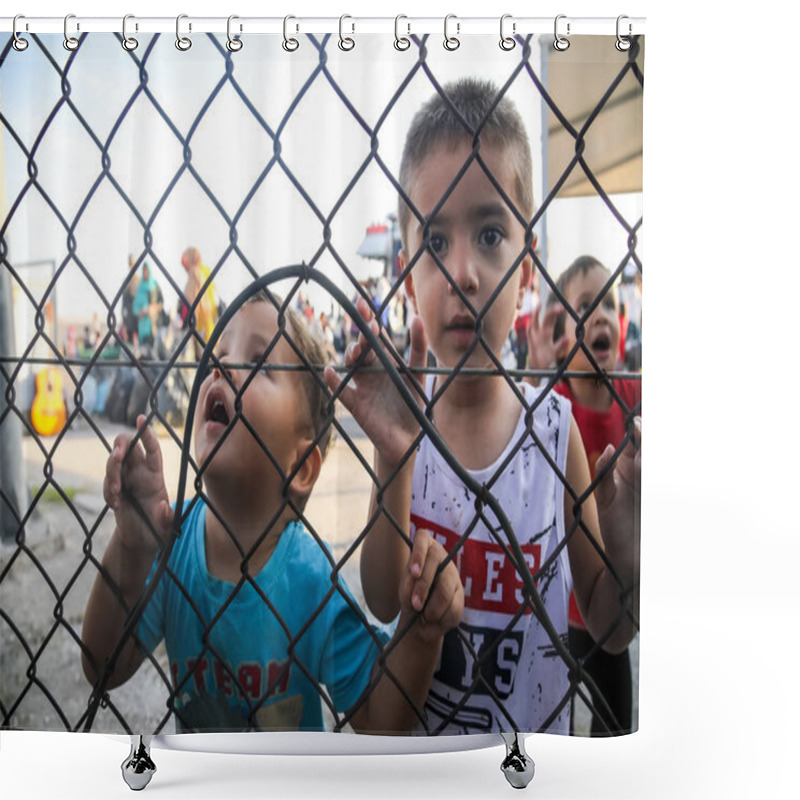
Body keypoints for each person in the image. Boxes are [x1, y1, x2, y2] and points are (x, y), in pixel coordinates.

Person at [325, 78, 640, 736]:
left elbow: (608, 626)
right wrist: (393, 457)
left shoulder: (556, 435)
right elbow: (383, 598)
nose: (463, 271)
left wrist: (630, 547)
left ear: (529, 268)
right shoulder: (406, 426)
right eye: (435, 243)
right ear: (408, 270)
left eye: (490, 233)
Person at [81, 290, 463, 734]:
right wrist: (131, 548)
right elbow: (102, 667)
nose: (222, 366)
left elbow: (380, 719)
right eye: (219, 353)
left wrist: (420, 632)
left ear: (301, 466)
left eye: (259, 362)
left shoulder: (310, 580)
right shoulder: (173, 540)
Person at [526, 254, 641, 736]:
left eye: (607, 304)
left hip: (612, 603)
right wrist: (535, 377)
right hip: (562, 610)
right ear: (560, 337)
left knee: (615, 720)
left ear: (621, 323)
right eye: (584, 305)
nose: (598, 315)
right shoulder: (555, 405)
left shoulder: (633, 398)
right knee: (551, 717)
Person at [179, 247, 218, 358]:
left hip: (199, 317)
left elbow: (198, 294)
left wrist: (193, 319)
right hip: (202, 317)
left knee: (201, 352)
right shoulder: (203, 271)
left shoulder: (195, 272)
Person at [132, 262, 160, 349]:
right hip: (144, 328)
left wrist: (154, 309)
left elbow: (161, 303)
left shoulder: (155, 286)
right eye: (144, 271)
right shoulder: (139, 288)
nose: (146, 273)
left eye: (147, 270)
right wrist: (143, 312)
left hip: (156, 326)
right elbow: (135, 309)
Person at [121, 253, 140, 344]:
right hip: (129, 321)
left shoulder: (140, 281)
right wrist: (124, 324)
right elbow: (123, 304)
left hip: (139, 319)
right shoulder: (126, 282)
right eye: (130, 263)